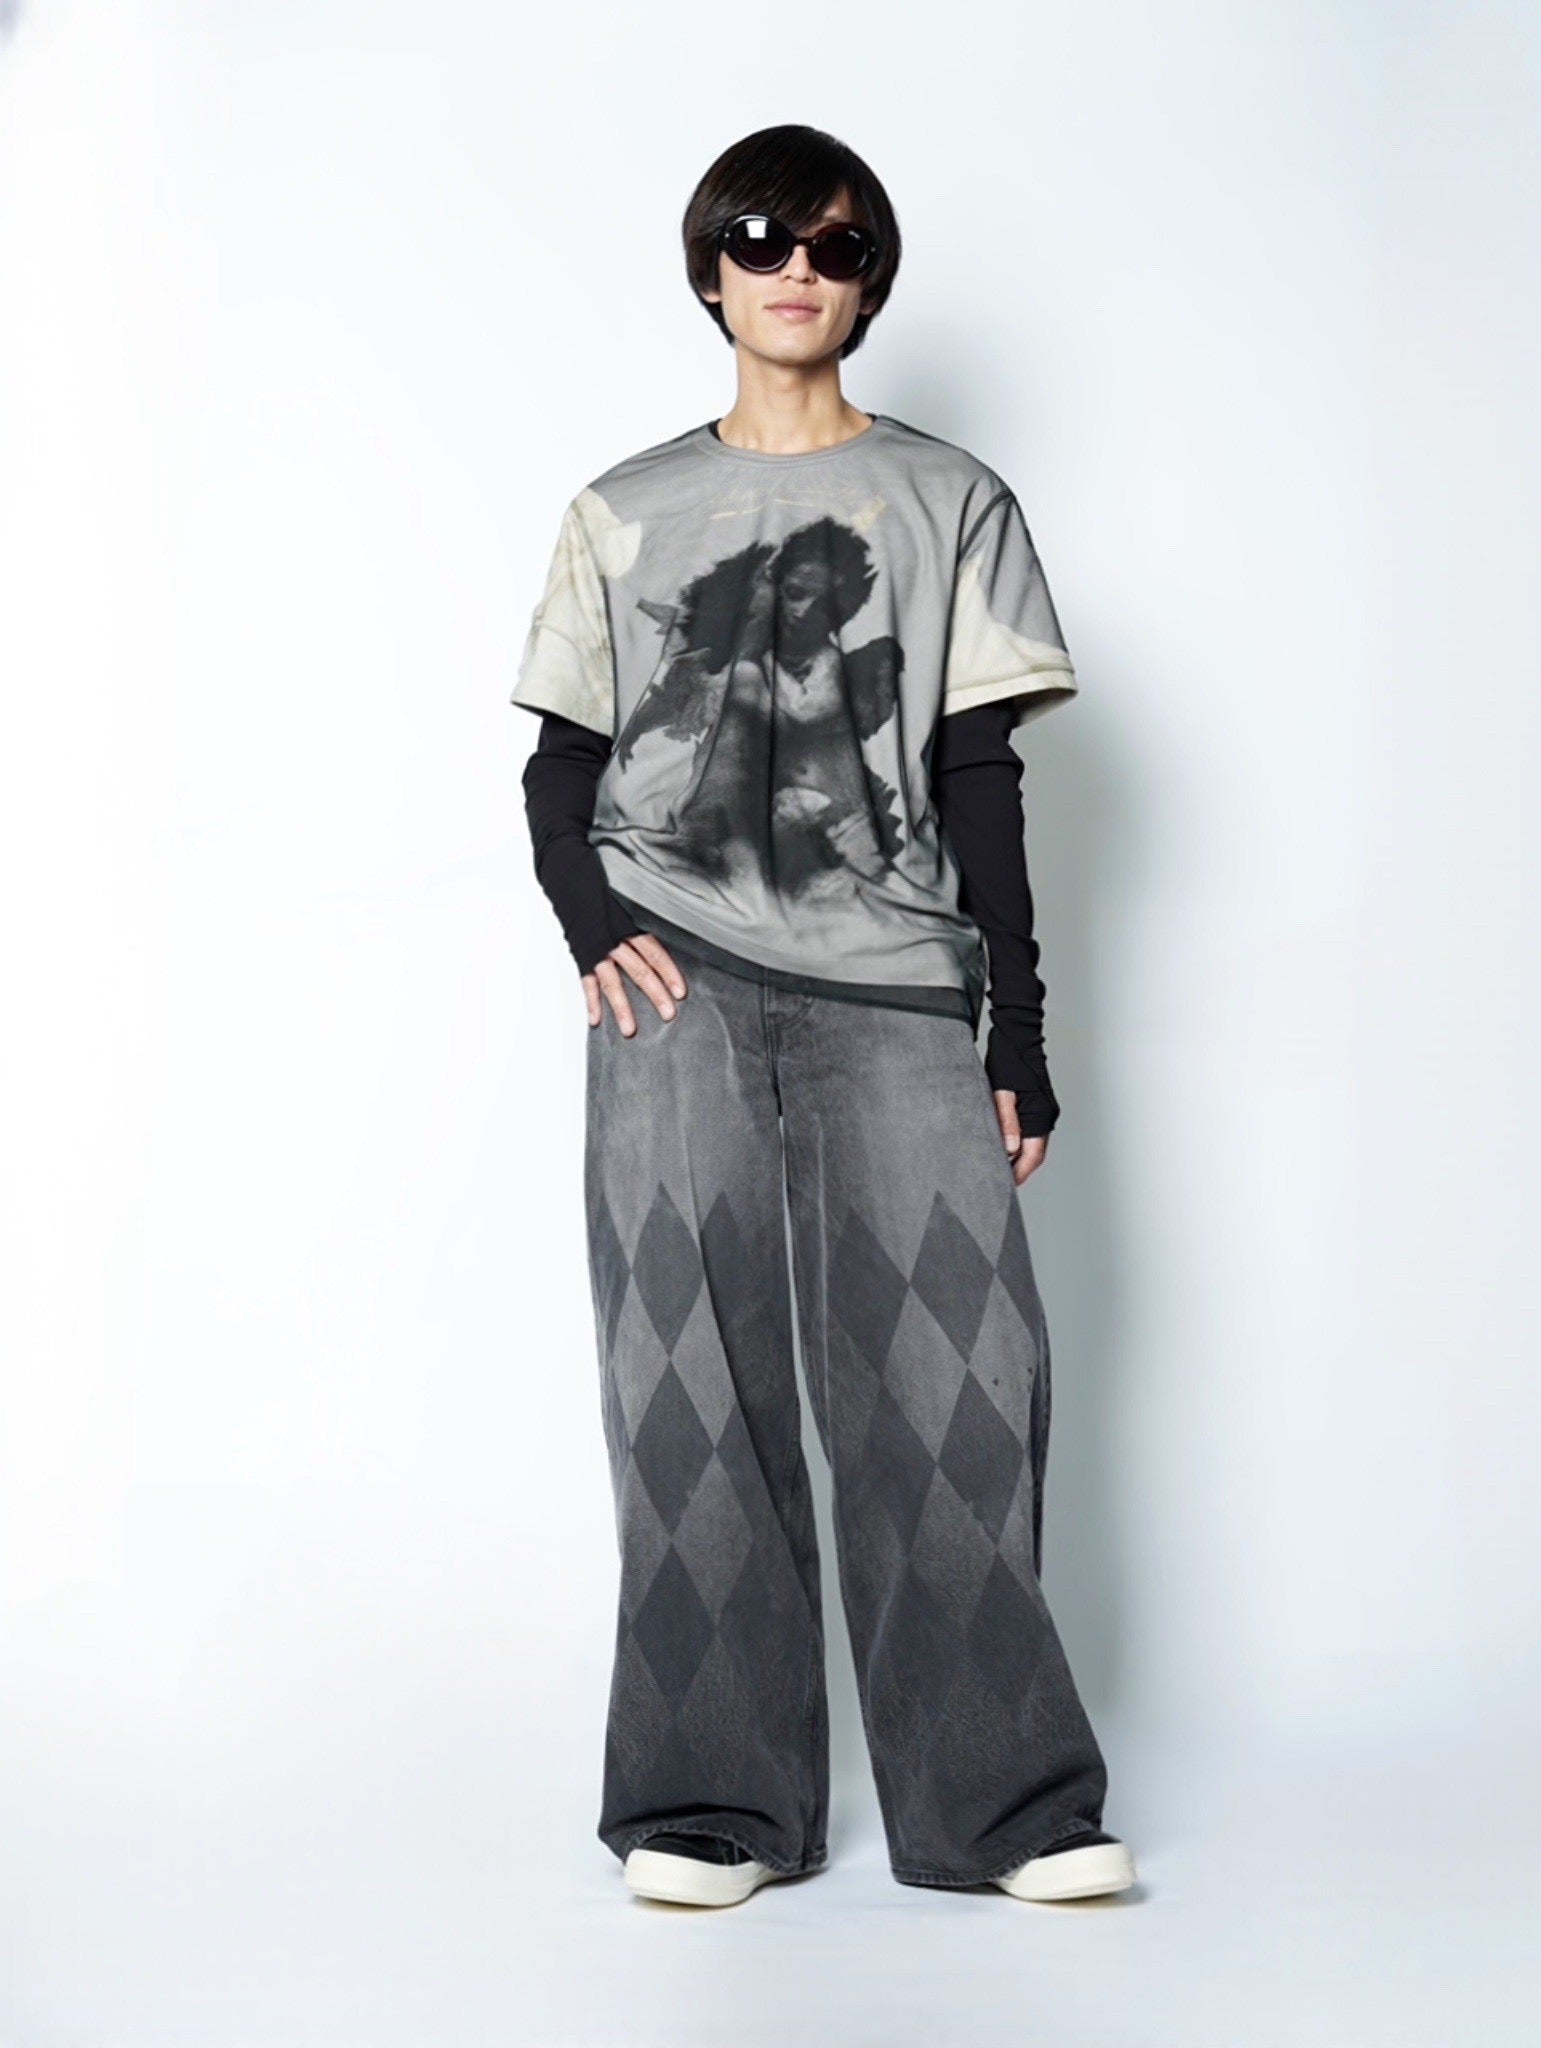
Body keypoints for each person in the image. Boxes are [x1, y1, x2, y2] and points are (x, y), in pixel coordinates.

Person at [512, 123, 1137, 1910]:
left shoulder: (950, 500)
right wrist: (593, 930)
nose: (798, 266)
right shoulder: (622, 510)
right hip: (678, 979)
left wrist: (1016, 1032)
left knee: (958, 1380)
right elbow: (559, 766)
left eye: (838, 244)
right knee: (683, 1380)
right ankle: (711, 1806)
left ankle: (1003, 1810)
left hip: (896, 986)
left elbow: (981, 772)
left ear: (871, 282)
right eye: (763, 234)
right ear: (710, 269)